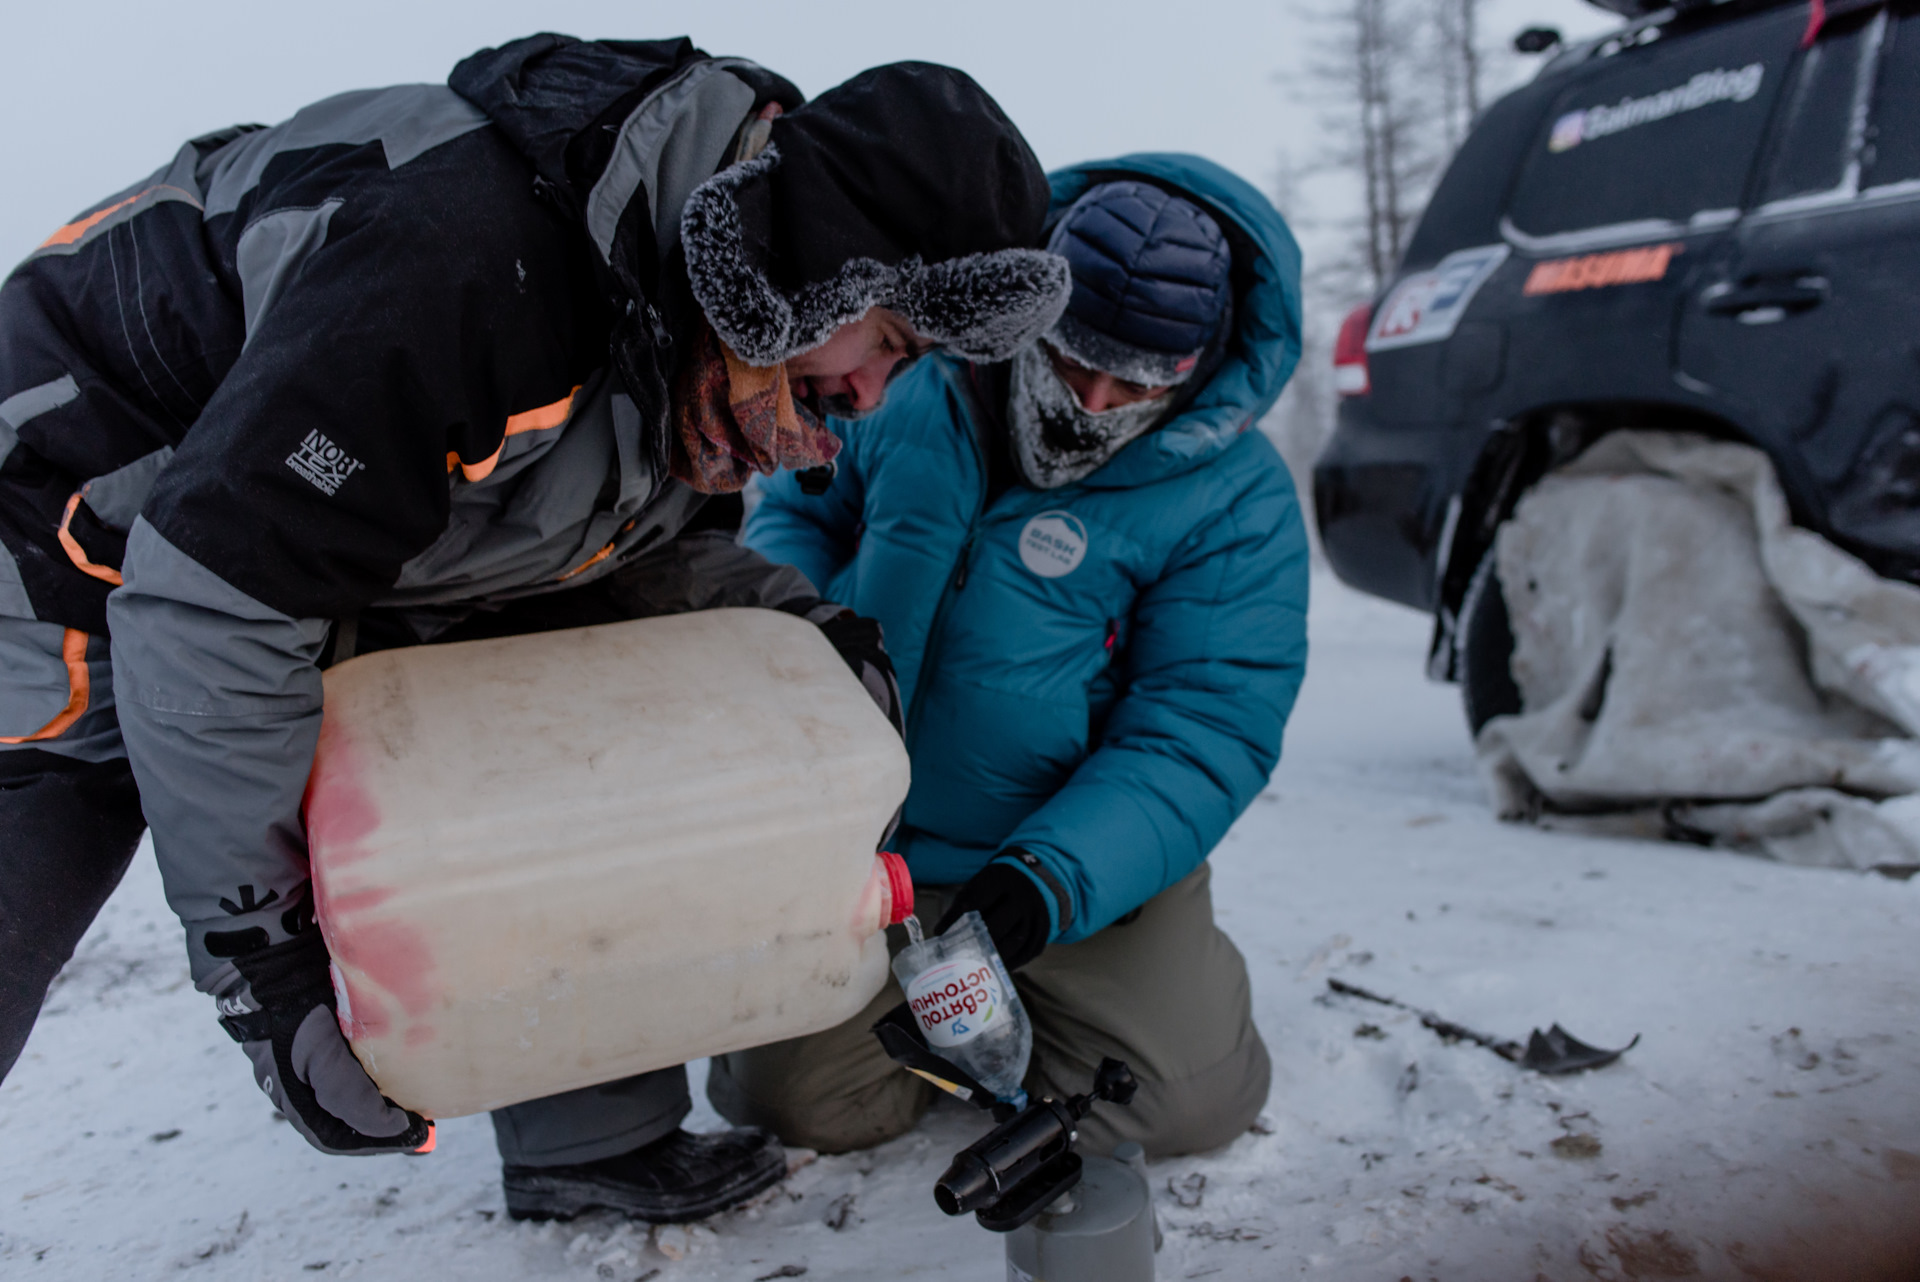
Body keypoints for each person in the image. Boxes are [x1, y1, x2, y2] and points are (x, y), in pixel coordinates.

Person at [0, 33, 1069, 1224]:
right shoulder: (468, 266)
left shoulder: (701, 353)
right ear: (811, 267)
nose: (871, 393)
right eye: (882, 338)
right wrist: (268, 963)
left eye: (905, 364)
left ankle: (592, 1139)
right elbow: (214, 598)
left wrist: (797, 637)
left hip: (283, 551)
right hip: (58, 520)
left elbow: (595, 570)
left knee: (574, 732)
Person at [717, 156, 1308, 1157]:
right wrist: (809, 633)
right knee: (798, 1105)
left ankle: (1095, 977)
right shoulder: (911, 378)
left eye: (1136, 381)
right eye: (1074, 358)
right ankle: (956, 1020)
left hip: (1059, 862)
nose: (1092, 397)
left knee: (1187, 1102)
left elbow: (1203, 725)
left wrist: (1051, 880)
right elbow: (795, 511)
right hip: (872, 852)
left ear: (1198, 366)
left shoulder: (1237, 498)